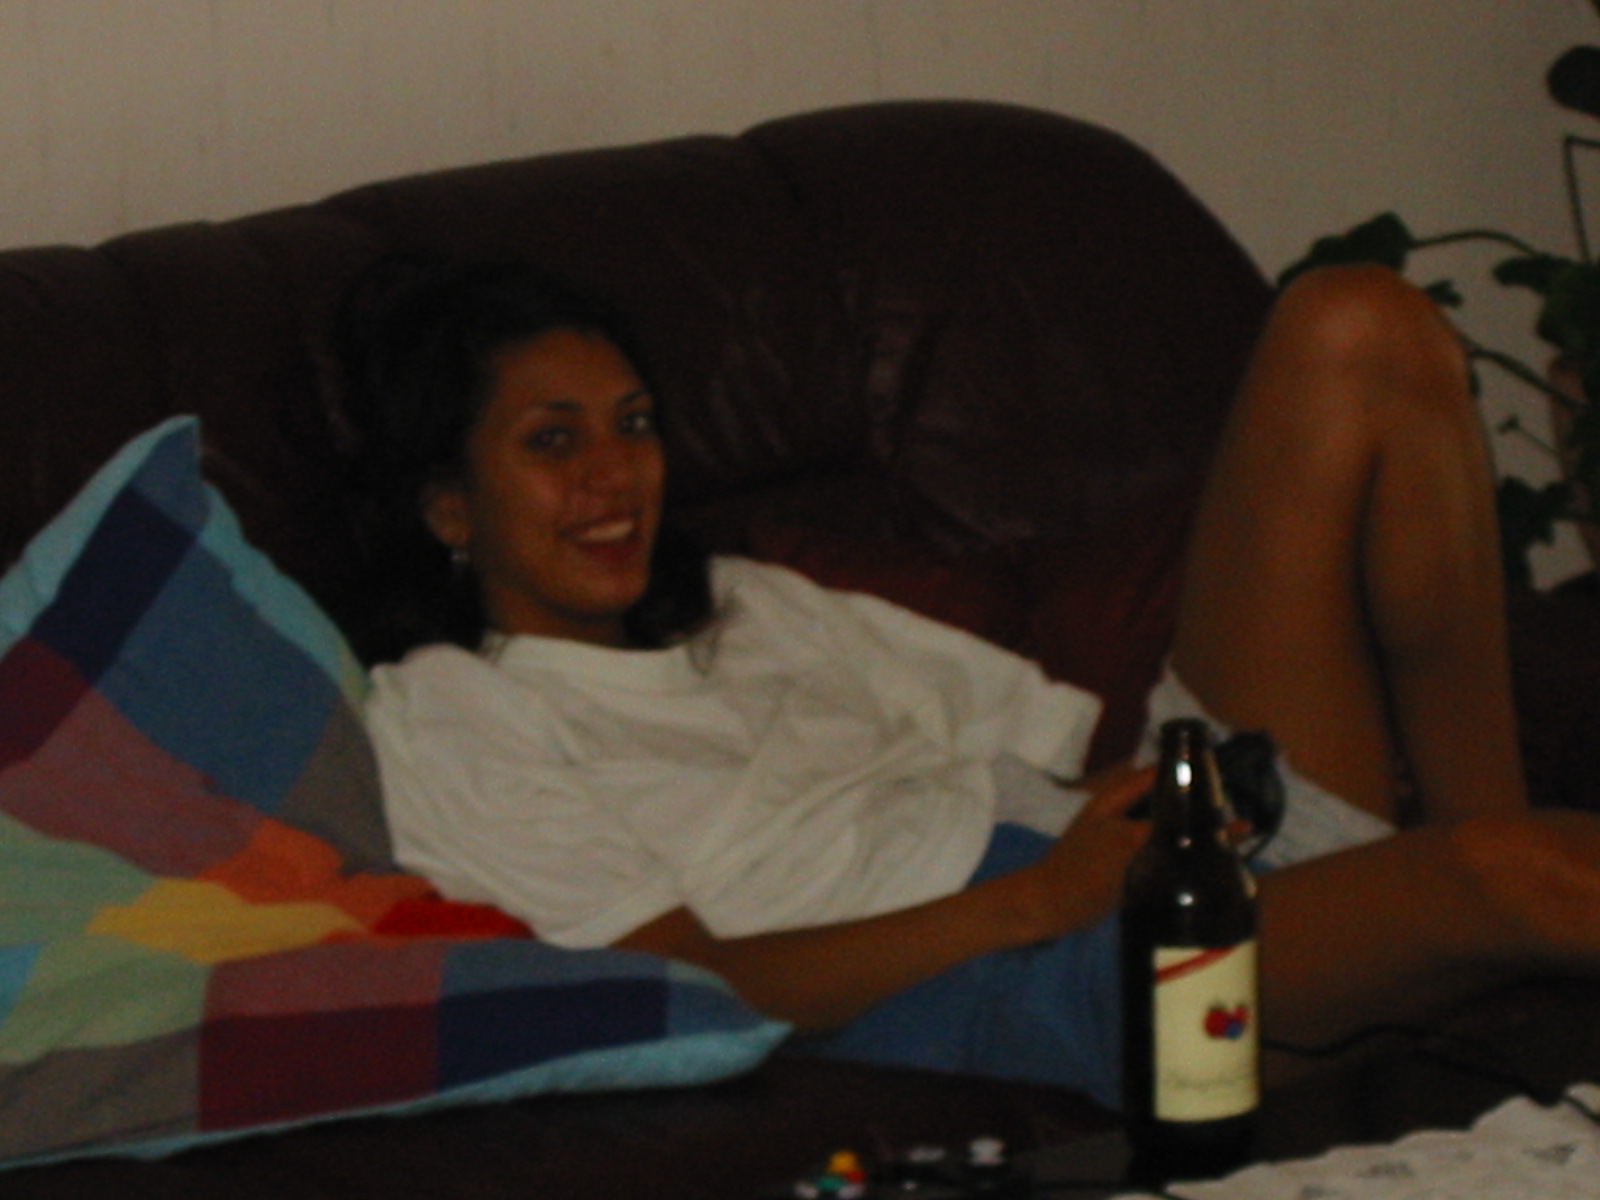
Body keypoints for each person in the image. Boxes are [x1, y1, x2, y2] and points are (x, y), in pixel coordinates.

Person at [342, 254, 1600, 1110]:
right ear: (448, 505)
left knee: (1356, 322)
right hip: (1015, 976)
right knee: (1523, 878)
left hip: (1110, 861)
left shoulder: (748, 605)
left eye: (632, 424)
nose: (613, 476)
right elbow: (683, 992)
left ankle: (1474, 856)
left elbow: (1052, 756)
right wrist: (1038, 902)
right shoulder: (452, 709)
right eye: (552, 443)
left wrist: (1164, 807)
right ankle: (1477, 889)